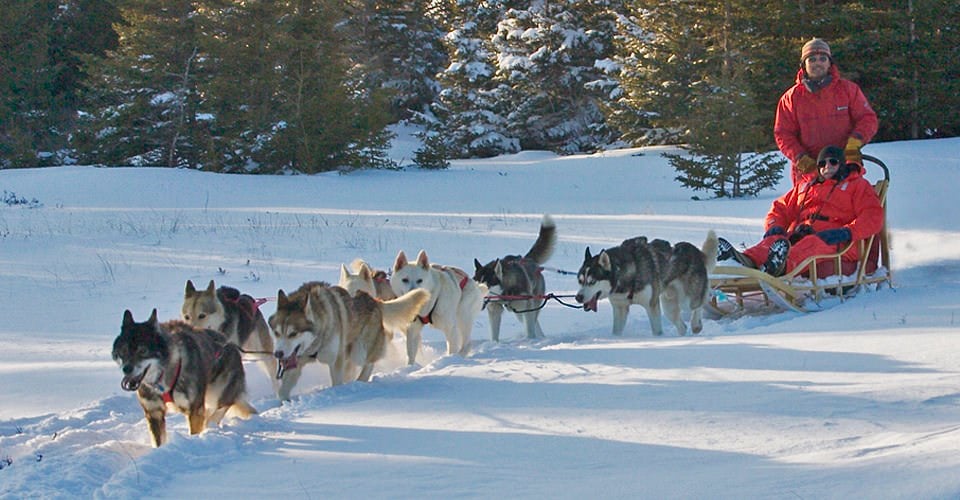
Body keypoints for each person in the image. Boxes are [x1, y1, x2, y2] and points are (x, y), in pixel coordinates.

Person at [717, 145, 883, 278]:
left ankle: (782, 268)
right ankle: (742, 262)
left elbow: (873, 216)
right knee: (775, 240)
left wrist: (847, 232)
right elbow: (779, 208)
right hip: (803, 234)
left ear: (842, 164)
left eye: (833, 162)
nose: (827, 167)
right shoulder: (806, 186)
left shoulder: (857, 186)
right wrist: (775, 226)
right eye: (822, 164)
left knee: (810, 244)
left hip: (839, 241)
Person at [775, 38, 878, 185]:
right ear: (804, 65)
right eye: (812, 59)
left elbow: (867, 119)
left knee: (852, 204)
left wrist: (854, 144)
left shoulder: (848, 90)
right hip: (809, 173)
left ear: (830, 63)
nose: (818, 63)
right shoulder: (791, 98)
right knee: (808, 208)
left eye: (823, 59)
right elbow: (783, 134)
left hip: (845, 167)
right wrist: (801, 158)